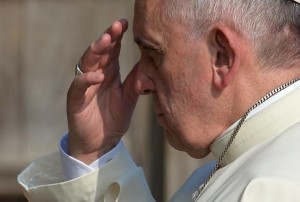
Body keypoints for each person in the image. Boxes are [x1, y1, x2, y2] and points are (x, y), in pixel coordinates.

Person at [18, 0, 300, 201]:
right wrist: (97, 152)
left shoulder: (271, 190)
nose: (139, 83)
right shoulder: (245, 167)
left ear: (222, 57)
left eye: (154, 55)